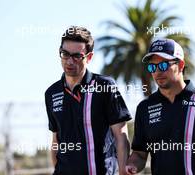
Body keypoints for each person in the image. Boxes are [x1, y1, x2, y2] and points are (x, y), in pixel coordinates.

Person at [126, 38, 195, 175]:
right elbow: (139, 153)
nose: (157, 72)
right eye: (152, 67)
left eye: (163, 65)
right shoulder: (144, 108)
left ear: (180, 65)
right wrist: (131, 166)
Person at [45, 26, 131, 175]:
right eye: (65, 54)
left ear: (89, 57)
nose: (70, 61)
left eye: (77, 56)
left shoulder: (105, 86)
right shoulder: (51, 93)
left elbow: (121, 134)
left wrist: (123, 170)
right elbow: (56, 140)